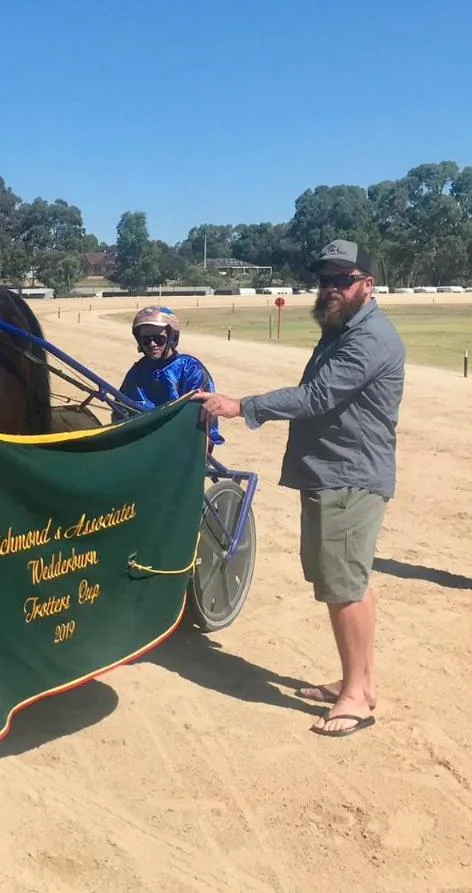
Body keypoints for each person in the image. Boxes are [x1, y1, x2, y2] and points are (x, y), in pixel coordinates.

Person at [197, 239, 405, 739]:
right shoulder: (341, 330)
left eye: (343, 280)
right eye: (325, 280)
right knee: (344, 580)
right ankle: (359, 680)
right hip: (332, 473)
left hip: (349, 476)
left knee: (344, 585)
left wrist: (240, 406)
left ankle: (357, 695)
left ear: (367, 285)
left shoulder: (369, 338)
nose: (331, 288)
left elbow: (317, 396)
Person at [115, 305, 223, 448]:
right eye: (146, 340)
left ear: (172, 338)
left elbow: (203, 416)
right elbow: (120, 411)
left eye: (158, 339)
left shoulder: (190, 369)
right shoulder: (137, 372)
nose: (152, 344)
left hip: (181, 446)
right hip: (144, 446)